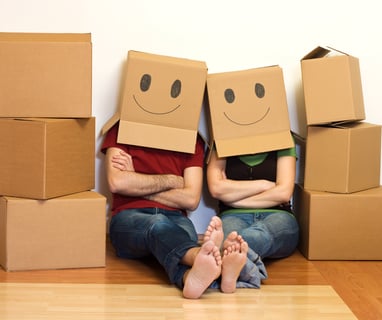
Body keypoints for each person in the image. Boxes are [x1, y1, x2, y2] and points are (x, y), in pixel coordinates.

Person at [101, 121, 249, 298]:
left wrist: (136, 181)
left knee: (182, 235)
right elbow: (117, 183)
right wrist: (173, 180)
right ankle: (199, 256)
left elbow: (191, 199)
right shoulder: (122, 129)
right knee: (158, 224)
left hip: (176, 219)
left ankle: (193, 278)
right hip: (128, 218)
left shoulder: (191, 139)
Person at [207, 144, 300, 272]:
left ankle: (223, 264)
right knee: (232, 240)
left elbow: (284, 193)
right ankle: (231, 271)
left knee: (250, 238)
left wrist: (234, 200)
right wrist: (264, 185)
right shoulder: (222, 137)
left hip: (278, 214)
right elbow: (216, 189)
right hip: (233, 215)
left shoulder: (283, 137)